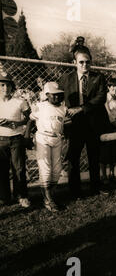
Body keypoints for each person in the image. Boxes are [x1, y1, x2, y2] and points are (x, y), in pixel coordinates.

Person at [59, 45, 110, 198]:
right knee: (73, 158)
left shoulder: (98, 77)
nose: (84, 65)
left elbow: (101, 98)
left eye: (87, 62)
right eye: (81, 62)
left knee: (94, 157)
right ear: (75, 62)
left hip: (94, 123)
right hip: (74, 125)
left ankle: (95, 187)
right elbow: (59, 99)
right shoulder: (66, 78)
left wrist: (81, 108)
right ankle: (75, 191)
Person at [29, 82, 67, 212]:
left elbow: (63, 125)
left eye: (58, 95)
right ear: (47, 95)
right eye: (53, 95)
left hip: (57, 138)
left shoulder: (63, 108)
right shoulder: (40, 106)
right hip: (43, 137)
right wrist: (27, 136)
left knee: (57, 169)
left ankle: (51, 194)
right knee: (46, 168)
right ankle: (48, 199)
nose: (56, 97)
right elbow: (30, 120)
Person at [0, 71, 31, 207]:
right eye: (2, 85)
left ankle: (21, 195)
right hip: (1, 139)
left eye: (8, 85)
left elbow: (30, 118)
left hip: (16, 139)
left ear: (12, 87)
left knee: (19, 168)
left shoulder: (20, 102)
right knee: (2, 168)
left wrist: (17, 123)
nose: (5, 89)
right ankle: (4, 197)